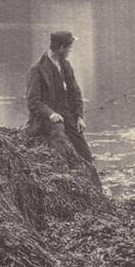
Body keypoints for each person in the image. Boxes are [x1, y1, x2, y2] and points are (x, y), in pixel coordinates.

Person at [25, 29, 94, 166]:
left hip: (67, 115)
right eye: (69, 47)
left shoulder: (66, 65)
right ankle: (61, 170)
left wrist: (79, 116)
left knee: (84, 151)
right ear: (61, 48)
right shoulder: (37, 69)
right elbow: (33, 102)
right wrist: (50, 113)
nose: (70, 51)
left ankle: (87, 171)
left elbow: (75, 93)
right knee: (59, 134)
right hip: (44, 118)